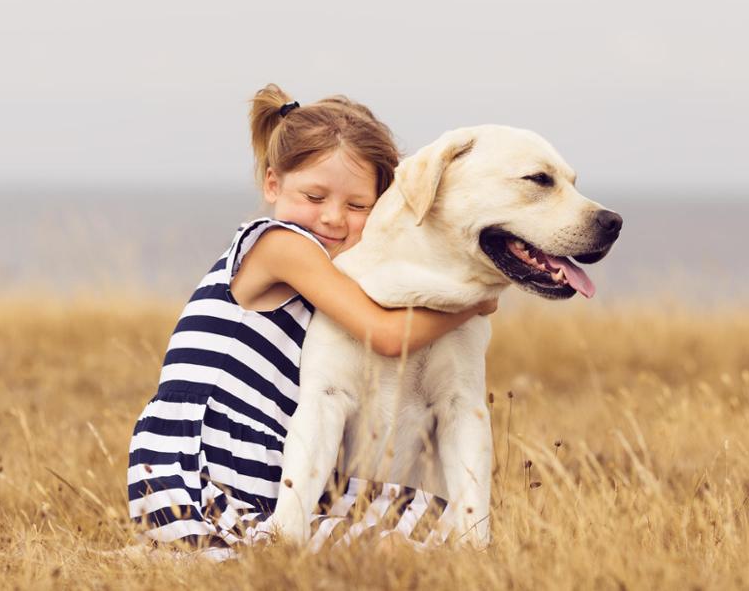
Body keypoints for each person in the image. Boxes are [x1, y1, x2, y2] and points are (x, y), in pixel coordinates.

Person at [127, 84, 495, 554]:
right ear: (273, 183)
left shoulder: (329, 265)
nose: (333, 218)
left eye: (357, 205)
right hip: (208, 465)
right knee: (394, 546)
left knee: (431, 522)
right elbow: (385, 335)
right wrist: (472, 298)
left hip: (255, 462)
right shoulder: (281, 245)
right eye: (314, 196)